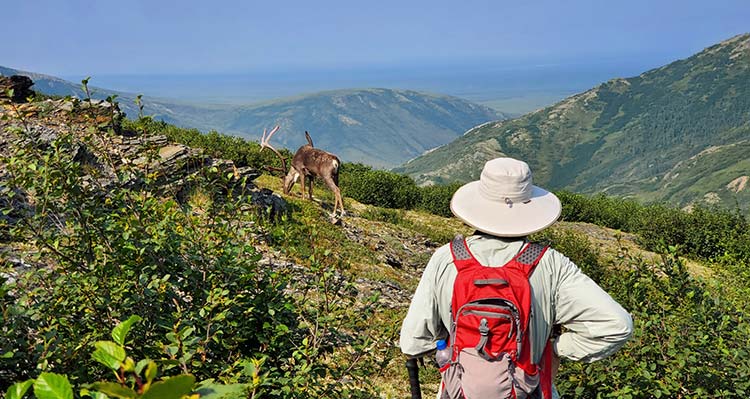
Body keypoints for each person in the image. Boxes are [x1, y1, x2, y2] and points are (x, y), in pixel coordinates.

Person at [399, 157, 633, 398]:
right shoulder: (550, 263)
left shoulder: (446, 258)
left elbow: (412, 342)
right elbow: (617, 326)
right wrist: (554, 349)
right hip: (529, 390)